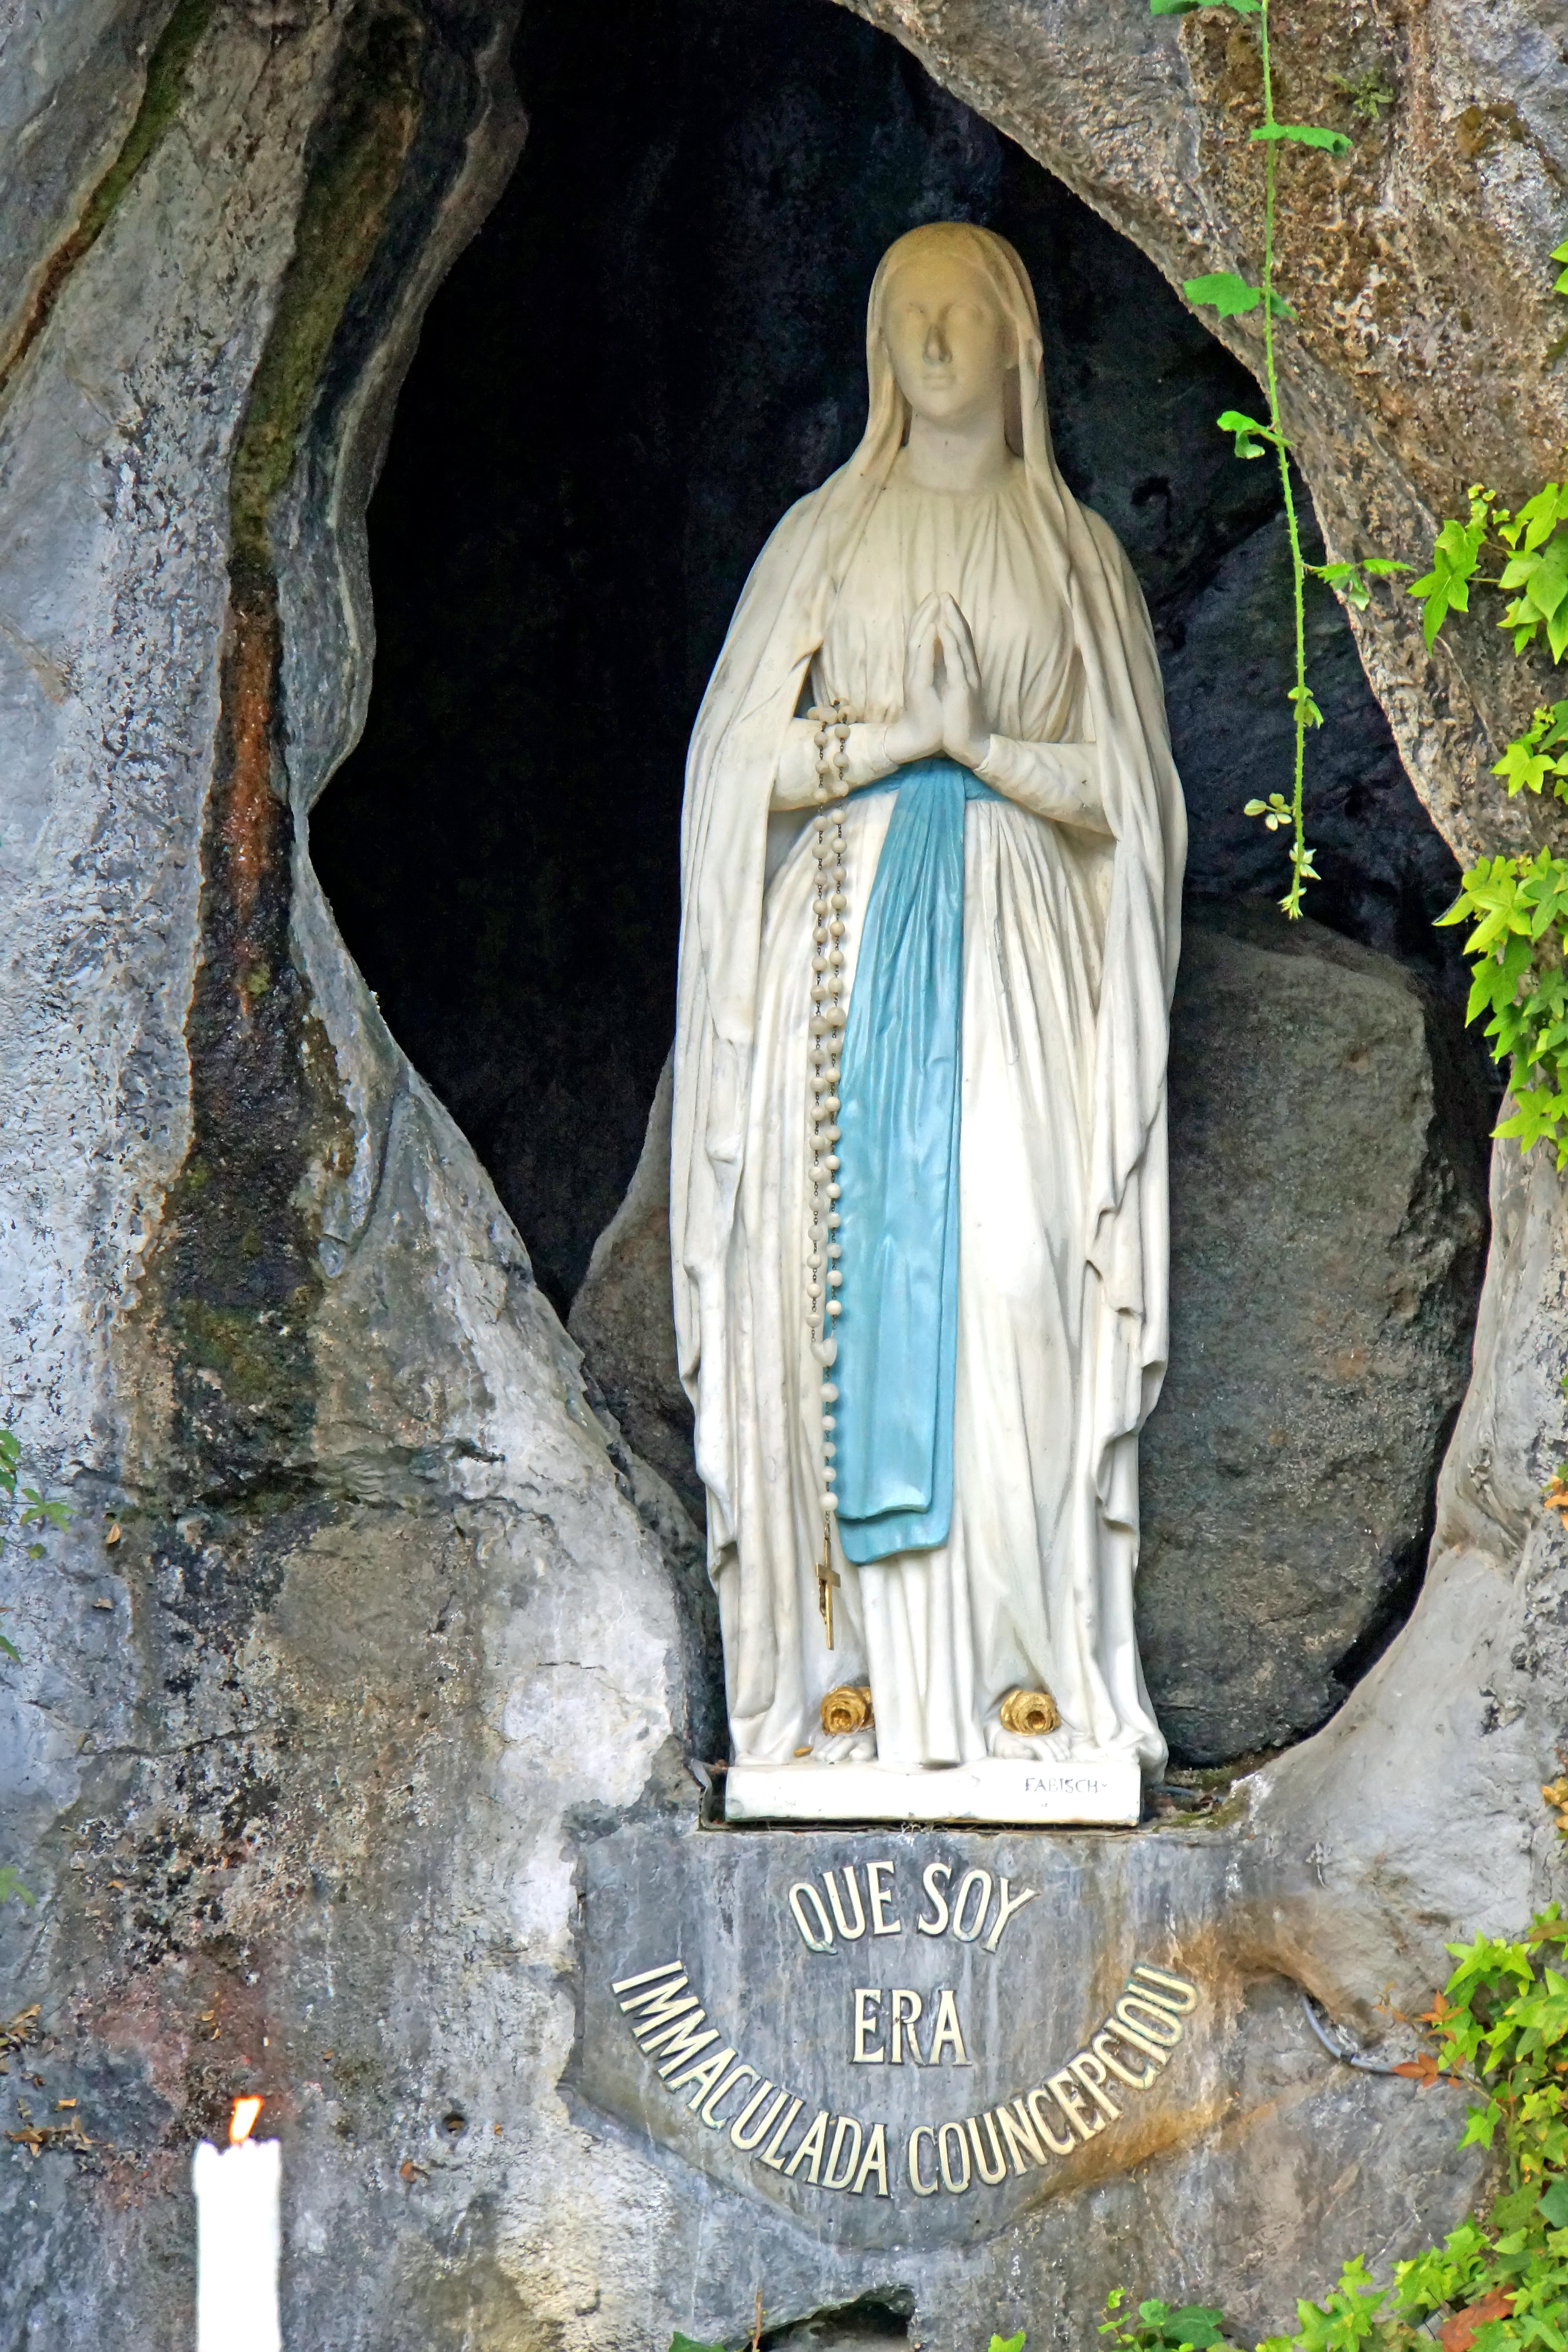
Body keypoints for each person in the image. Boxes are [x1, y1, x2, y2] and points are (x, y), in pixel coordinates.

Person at [671, 221, 1185, 1787]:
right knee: (828, 1292)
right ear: (876, 352)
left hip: (1021, 954)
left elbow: (1138, 804)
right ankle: (856, 1693)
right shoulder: (821, 544)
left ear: (1020, 344)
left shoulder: (1073, 557)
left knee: (1019, 1285)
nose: (938, 343)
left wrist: (993, 754)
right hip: (834, 961)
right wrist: (896, 747)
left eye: (967, 314)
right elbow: (726, 782)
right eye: (909, 318)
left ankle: (1031, 1679)